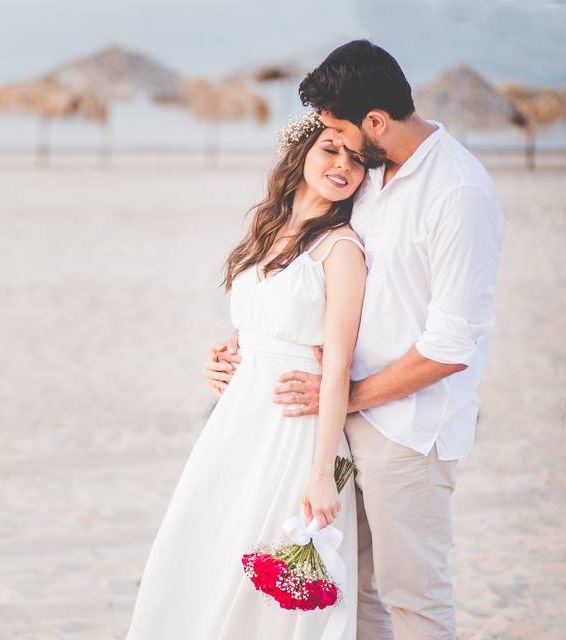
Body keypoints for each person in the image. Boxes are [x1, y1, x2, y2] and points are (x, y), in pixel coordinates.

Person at [206, 40, 504, 640]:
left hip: (409, 429)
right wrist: (251, 348)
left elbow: (451, 346)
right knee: (351, 593)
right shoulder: (369, 175)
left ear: (375, 122)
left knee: (413, 596)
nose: (334, 143)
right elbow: (311, 278)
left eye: (340, 128)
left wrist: (341, 395)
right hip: (338, 419)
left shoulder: (457, 193)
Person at [126, 111, 368, 639]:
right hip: (237, 422)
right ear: (302, 153)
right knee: (207, 549)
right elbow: (260, 321)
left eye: (356, 158)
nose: (343, 166)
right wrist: (224, 356)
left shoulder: (341, 248)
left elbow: (338, 364)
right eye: (331, 149)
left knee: (269, 583)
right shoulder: (268, 230)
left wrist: (322, 471)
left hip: (292, 429)